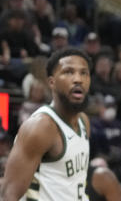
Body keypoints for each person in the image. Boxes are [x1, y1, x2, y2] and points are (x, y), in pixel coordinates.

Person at [0, 48, 92, 201]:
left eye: (84, 73)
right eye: (69, 72)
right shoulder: (41, 127)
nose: (78, 79)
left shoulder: (84, 121)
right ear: (51, 82)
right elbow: (8, 195)